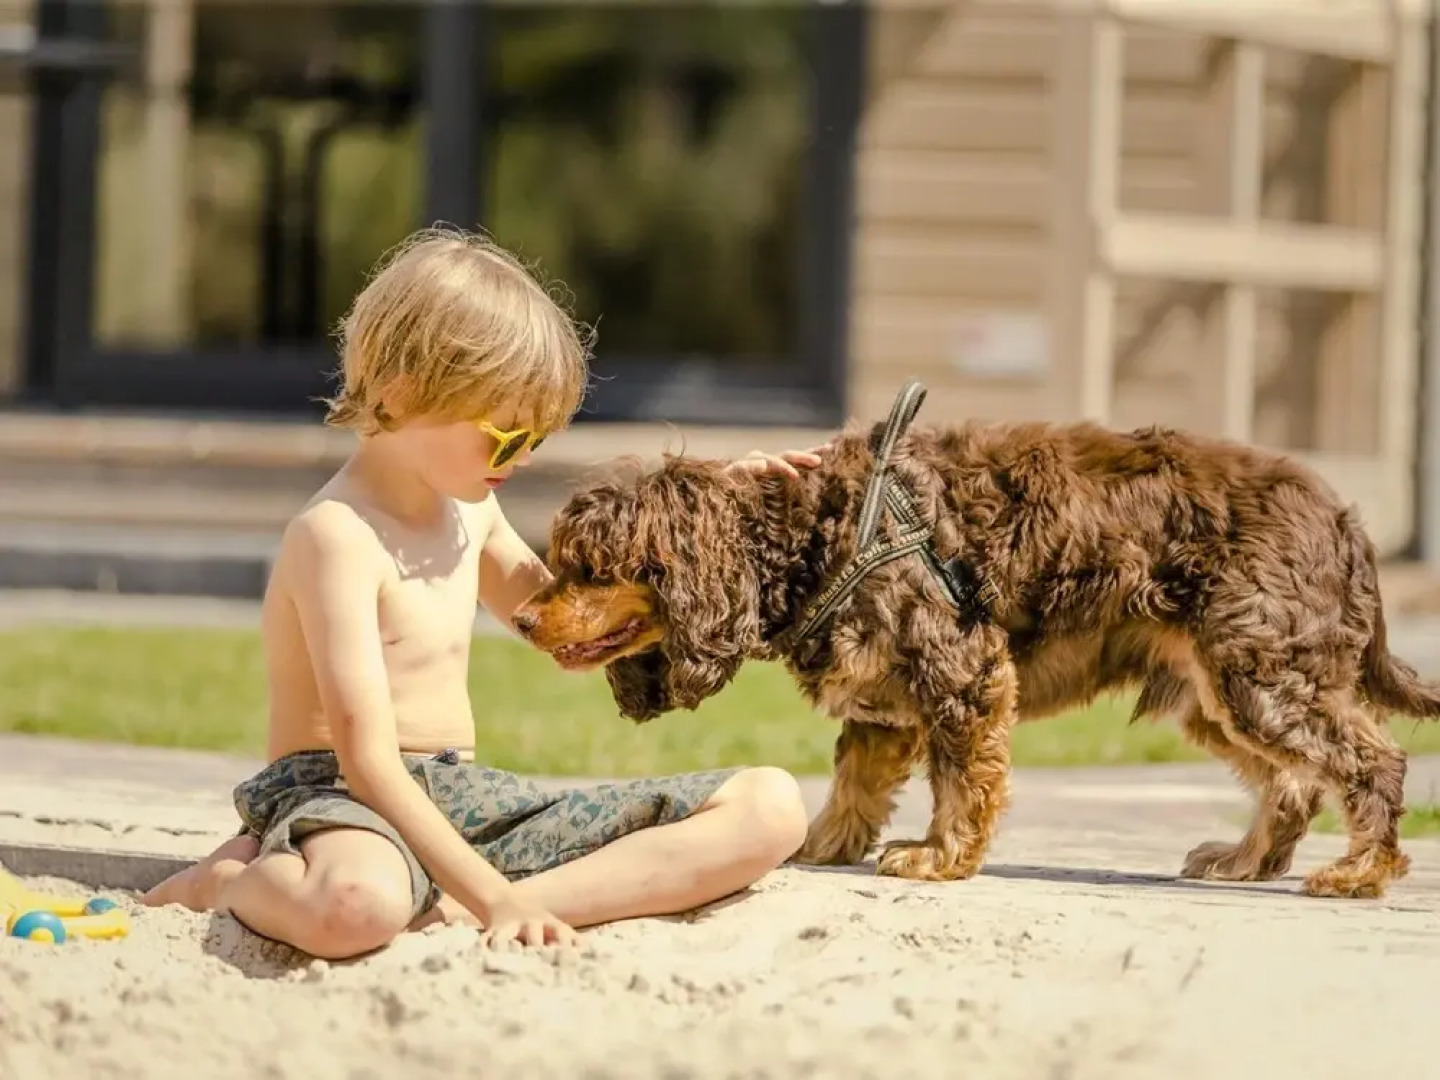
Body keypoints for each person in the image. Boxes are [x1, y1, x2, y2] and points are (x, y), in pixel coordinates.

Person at [141, 227, 825, 959]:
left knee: (770, 806)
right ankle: (229, 882)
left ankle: (460, 906)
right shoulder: (335, 538)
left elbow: (565, 619)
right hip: (341, 801)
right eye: (505, 437)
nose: (523, 458)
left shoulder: (471, 511)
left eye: (537, 438)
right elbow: (367, 760)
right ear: (404, 394)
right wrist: (490, 891)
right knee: (355, 907)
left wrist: (712, 502)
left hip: (465, 801)